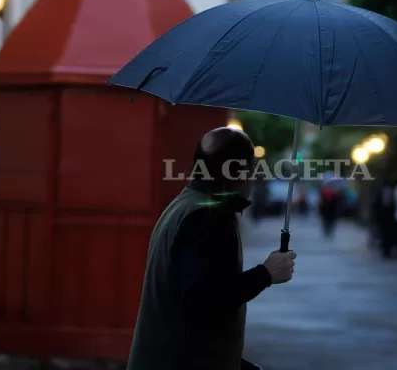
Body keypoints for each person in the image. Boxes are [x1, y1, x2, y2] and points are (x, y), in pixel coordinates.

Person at [127, 127, 297, 370]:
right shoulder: (207, 218)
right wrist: (265, 274)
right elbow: (203, 299)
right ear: (240, 171)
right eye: (252, 168)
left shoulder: (186, 204)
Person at [373, 180, 396, 258]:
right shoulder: (384, 192)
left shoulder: (382, 192)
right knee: (385, 234)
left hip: (387, 217)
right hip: (385, 217)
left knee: (386, 234)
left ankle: (386, 249)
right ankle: (386, 249)